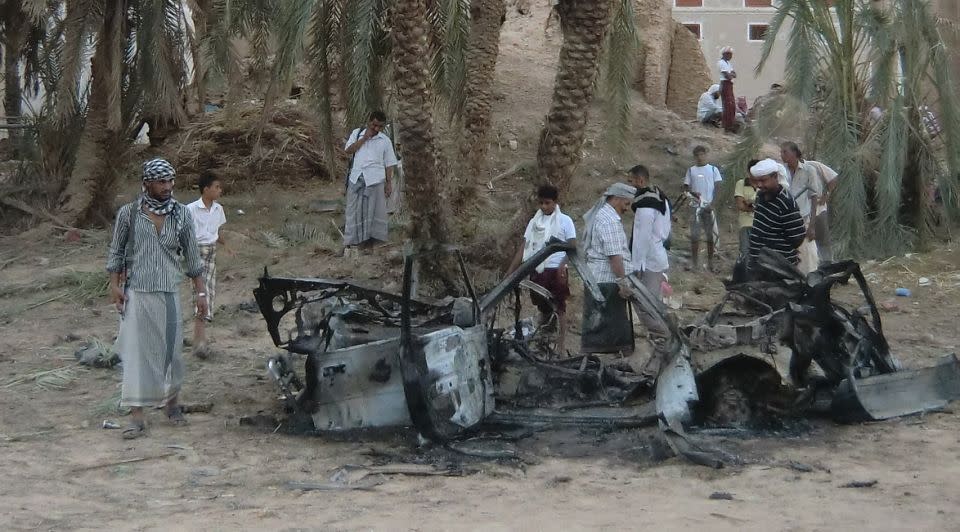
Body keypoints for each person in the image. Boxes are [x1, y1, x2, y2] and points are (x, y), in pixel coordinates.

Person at [106, 159, 206, 439]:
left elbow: (192, 256)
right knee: (137, 354)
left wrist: (200, 292)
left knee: (171, 354)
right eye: (161, 182)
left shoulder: (182, 214)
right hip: (138, 292)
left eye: (170, 181)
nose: (167, 187)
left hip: (170, 292)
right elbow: (116, 253)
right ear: (147, 183)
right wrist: (115, 286)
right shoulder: (129, 214)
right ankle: (137, 416)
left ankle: (171, 405)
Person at [506, 184, 577, 352]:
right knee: (542, 307)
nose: (544, 207)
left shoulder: (565, 221)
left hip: (556, 270)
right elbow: (525, 246)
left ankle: (561, 347)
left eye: (548, 203)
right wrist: (511, 270)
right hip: (537, 270)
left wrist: (562, 265)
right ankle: (543, 340)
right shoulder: (534, 222)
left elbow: (572, 246)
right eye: (541, 203)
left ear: (555, 202)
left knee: (560, 308)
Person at [581, 182, 637, 353]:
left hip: (598, 279)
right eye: (626, 204)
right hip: (607, 280)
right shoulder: (609, 220)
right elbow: (615, 256)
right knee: (608, 325)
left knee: (598, 323)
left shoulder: (603, 215)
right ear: (617, 199)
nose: (627, 209)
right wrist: (622, 283)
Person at [186, 172, 231, 358]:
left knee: (208, 295)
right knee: (200, 294)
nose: (219, 190)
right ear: (206, 189)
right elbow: (186, 234)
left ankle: (199, 340)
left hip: (211, 254)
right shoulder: (190, 210)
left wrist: (226, 245)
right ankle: (200, 342)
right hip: (196, 253)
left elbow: (216, 232)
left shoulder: (218, 210)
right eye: (216, 187)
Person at [343, 110, 399, 255]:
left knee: (374, 212)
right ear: (369, 121)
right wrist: (364, 139)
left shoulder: (385, 141)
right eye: (374, 125)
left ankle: (372, 243)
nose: (376, 129)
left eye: (380, 126)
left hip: (375, 179)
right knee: (353, 211)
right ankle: (352, 242)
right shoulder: (357, 133)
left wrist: (388, 183)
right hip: (356, 177)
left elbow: (389, 164)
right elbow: (348, 150)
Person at [747, 158, 806, 274]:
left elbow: (797, 237)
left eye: (763, 181)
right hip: (756, 264)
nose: (759, 185)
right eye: (757, 181)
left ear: (775, 177)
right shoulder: (760, 196)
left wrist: (777, 249)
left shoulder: (786, 202)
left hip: (778, 269)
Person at [628, 165, 671, 300]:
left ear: (640, 181)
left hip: (649, 261)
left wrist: (638, 264)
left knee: (647, 306)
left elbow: (643, 236)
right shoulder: (658, 196)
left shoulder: (647, 203)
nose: (631, 186)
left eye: (631, 181)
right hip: (656, 255)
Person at [780, 142, 822, 273]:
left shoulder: (809, 170)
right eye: (781, 152)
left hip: (802, 218)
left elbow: (814, 197)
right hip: (785, 219)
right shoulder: (781, 171)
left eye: (785, 152)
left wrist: (812, 226)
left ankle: (811, 281)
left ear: (795, 153)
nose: (782, 155)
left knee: (808, 254)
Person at [683, 145, 723, 272]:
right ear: (694, 157)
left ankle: (710, 263)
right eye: (697, 155)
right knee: (695, 236)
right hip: (695, 207)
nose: (700, 157)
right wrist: (692, 194)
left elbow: (718, 188)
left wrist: (713, 204)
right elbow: (685, 187)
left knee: (710, 236)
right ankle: (695, 264)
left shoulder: (713, 170)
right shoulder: (691, 170)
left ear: (706, 154)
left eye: (702, 154)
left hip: (708, 207)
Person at [803, 159, 839, 264]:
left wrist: (826, 194)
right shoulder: (787, 169)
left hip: (818, 208)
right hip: (802, 212)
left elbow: (833, 177)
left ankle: (828, 265)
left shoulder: (814, 165)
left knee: (823, 240)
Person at [734, 159, 760, 261]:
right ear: (749, 172)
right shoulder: (741, 183)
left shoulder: (763, 185)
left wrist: (748, 203)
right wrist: (752, 207)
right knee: (745, 251)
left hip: (760, 224)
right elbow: (740, 204)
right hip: (746, 223)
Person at [718, 47, 738, 133]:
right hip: (725, 84)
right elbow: (728, 76)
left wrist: (731, 74)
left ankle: (731, 124)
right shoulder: (721, 63)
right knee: (727, 105)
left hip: (729, 85)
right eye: (730, 54)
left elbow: (734, 74)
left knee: (732, 105)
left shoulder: (728, 64)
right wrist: (731, 74)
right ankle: (727, 126)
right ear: (725, 54)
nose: (731, 56)